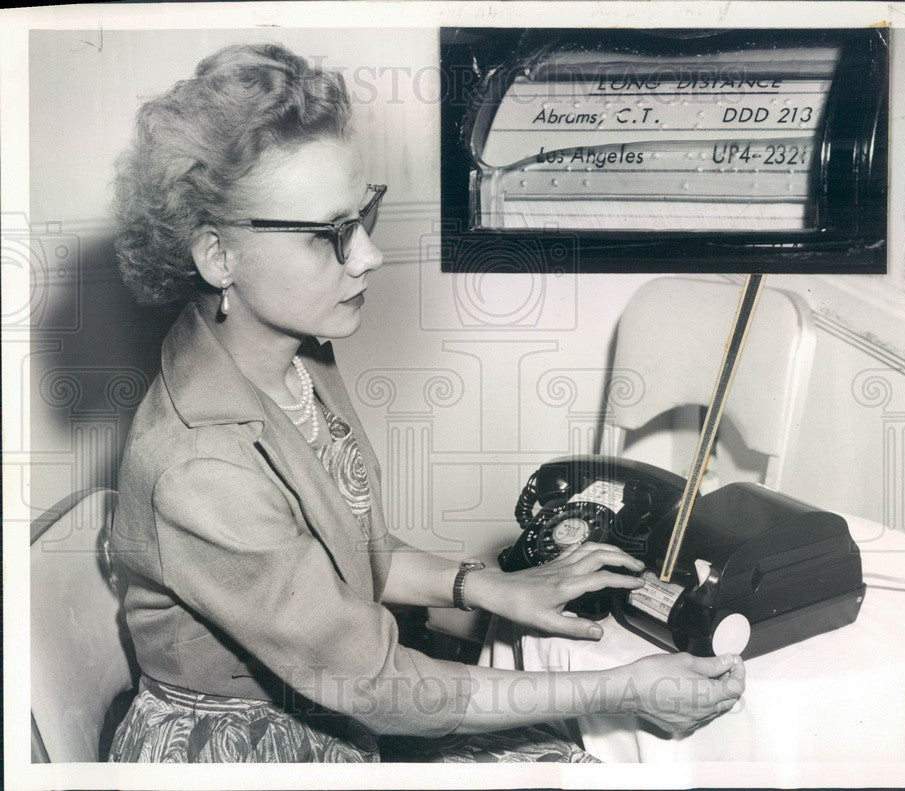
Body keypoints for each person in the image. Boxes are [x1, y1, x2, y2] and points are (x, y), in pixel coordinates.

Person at [107, 41, 745, 763]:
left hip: (333, 688)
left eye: (363, 216)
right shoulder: (199, 465)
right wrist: (628, 685)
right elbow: (380, 683)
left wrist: (486, 586)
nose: (368, 256)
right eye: (329, 236)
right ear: (217, 256)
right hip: (241, 746)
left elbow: (351, 557)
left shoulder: (298, 353)